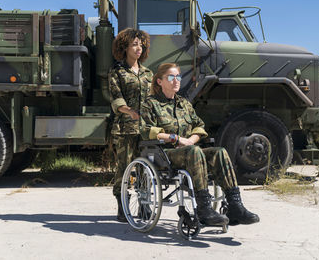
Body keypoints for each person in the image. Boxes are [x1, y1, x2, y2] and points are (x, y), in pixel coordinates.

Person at [140, 63, 260, 226]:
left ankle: (235, 206)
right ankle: (204, 209)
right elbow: (147, 130)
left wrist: (190, 141)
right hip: (164, 153)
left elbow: (199, 126)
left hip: (189, 150)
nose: (176, 80)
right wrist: (176, 138)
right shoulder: (150, 104)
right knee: (194, 152)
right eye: (171, 77)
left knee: (220, 152)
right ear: (160, 81)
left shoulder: (184, 103)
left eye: (178, 77)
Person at [108, 28, 153, 222]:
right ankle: (122, 206)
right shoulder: (117, 72)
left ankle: (144, 206)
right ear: (124, 47)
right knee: (123, 168)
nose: (138, 48)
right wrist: (129, 111)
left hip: (145, 130)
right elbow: (115, 98)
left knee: (146, 168)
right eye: (134, 44)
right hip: (125, 128)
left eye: (141, 45)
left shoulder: (148, 73)